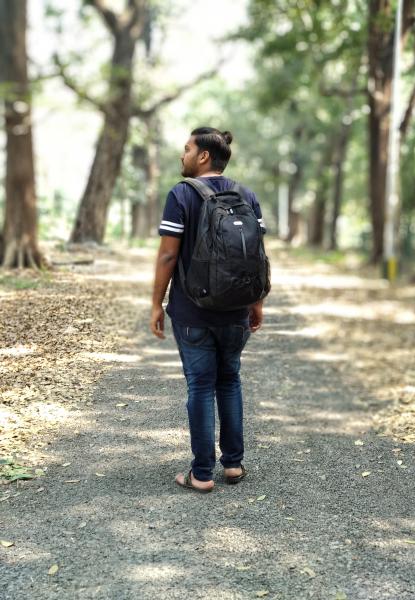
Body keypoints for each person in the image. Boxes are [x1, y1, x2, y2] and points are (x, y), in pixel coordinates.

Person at [150, 127, 266, 493]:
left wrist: (156, 301)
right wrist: (256, 301)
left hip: (193, 310)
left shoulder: (182, 194)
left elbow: (169, 253)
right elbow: (257, 256)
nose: (181, 155)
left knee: (200, 385)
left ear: (202, 157)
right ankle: (232, 465)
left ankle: (201, 473)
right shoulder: (246, 194)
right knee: (229, 380)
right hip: (236, 311)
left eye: (186, 149)